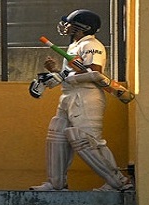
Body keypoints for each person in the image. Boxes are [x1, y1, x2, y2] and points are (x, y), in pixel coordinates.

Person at [29, 9, 133, 192]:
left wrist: (65, 77)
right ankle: (56, 184)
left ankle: (119, 182)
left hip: (86, 96)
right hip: (69, 95)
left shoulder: (92, 45)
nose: (66, 26)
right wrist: (55, 72)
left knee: (86, 140)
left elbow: (94, 73)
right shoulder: (74, 46)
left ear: (82, 27)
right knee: (57, 134)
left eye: (70, 23)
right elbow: (72, 72)